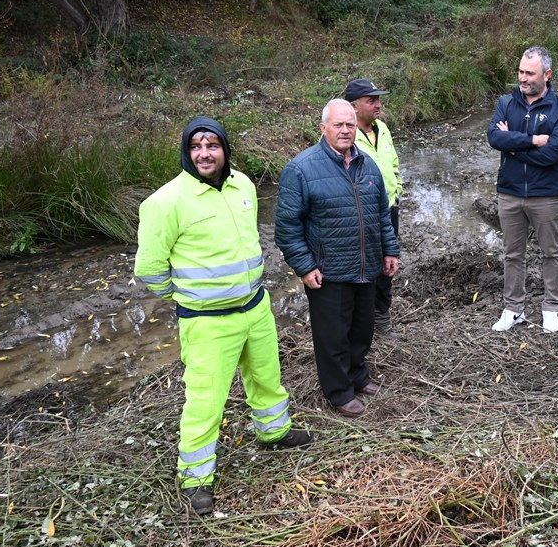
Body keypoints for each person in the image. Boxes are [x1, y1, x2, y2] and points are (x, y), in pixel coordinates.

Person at [135, 116, 313, 517]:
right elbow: (149, 269)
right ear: (186, 151)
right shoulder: (166, 202)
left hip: (255, 307)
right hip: (207, 323)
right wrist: (188, 297)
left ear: (224, 150)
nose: (204, 154)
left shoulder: (244, 185)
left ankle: (274, 432)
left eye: (212, 145)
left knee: (267, 378)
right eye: (196, 146)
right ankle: (196, 478)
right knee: (205, 399)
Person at [275, 99, 400, 418]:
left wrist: (390, 250)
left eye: (350, 124)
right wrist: (305, 267)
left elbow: (382, 214)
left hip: (367, 266)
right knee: (332, 336)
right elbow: (287, 228)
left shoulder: (368, 165)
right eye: (338, 124)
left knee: (362, 328)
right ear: (323, 128)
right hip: (328, 271)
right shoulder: (301, 169)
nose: (345, 130)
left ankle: (358, 376)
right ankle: (339, 391)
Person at [486, 46, 558, 333]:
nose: (523, 78)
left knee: (551, 252)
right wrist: (533, 140)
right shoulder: (505, 102)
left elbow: (554, 153)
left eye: (530, 74)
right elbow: (493, 137)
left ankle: (551, 309)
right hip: (510, 192)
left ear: (547, 75)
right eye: (521, 72)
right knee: (513, 254)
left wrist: (512, 146)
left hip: (547, 193)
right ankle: (513, 309)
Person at [345, 78, 404, 339]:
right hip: (361, 214)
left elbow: (393, 163)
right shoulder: (345, 135)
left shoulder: (382, 128)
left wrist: (397, 191)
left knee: (387, 265)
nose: (378, 105)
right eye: (371, 100)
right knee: (363, 267)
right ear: (354, 106)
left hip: (388, 209)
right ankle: (360, 322)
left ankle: (381, 319)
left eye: (378, 99)